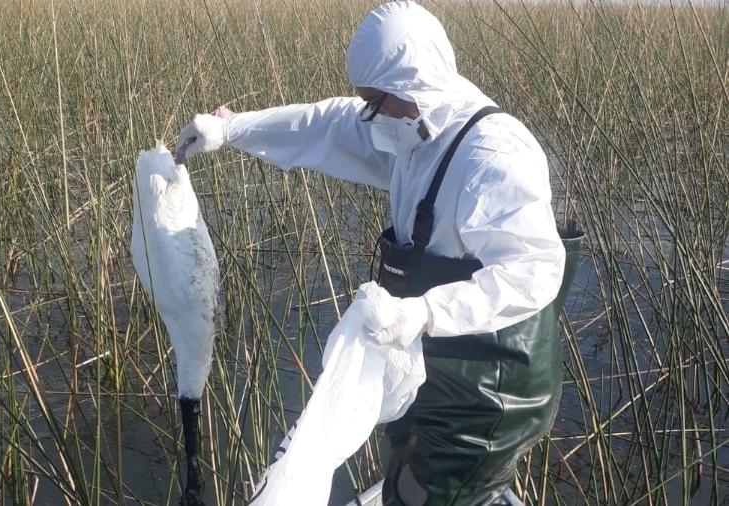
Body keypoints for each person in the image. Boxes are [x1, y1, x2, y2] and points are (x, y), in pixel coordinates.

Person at [177, 2, 582, 504]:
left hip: (490, 388)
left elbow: (534, 271)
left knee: (438, 495)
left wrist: (428, 311)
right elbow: (324, 125)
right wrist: (234, 128)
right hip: (433, 364)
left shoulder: (493, 156)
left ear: (411, 87)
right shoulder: (410, 130)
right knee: (406, 471)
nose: (368, 115)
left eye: (375, 102)